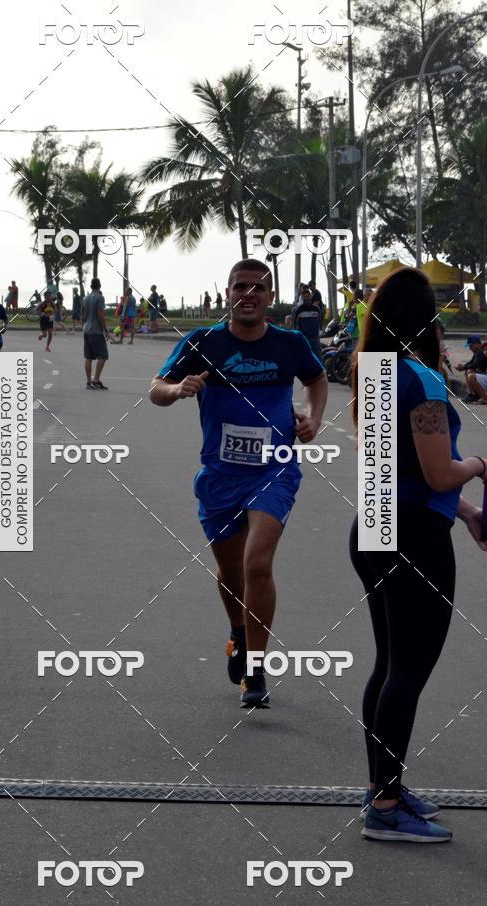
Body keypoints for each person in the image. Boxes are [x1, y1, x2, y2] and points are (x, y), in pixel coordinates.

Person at [349, 266, 487, 844]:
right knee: (407, 670)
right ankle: (385, 807)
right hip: (414, 539)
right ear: (426, 320)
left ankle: (384, 786)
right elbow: (439, 471)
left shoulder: (377, 373)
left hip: (376, 525)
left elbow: (399, 474)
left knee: (388, 665)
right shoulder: (426, 382)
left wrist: (466, 514)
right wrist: (481, 468)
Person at [150, 258, 327, 708]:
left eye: (258, 288)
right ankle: (238, 633)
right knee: (230, 572)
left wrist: (315, 420)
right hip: (219, 476)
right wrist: (178, 388)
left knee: (256, 564)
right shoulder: (204, 342)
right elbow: (156, 389)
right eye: (240, 286)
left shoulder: (289, 343)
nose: (249, 294)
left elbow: (317, 378)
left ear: (270, 298)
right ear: (227, 293)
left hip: (275, 469)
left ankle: (255, 668)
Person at [82, 277, 109, 389]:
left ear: (91, 286)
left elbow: (83, 316)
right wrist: (105, 329)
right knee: (103, 356)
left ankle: (89, 382)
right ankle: (96, 379)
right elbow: (101, 314)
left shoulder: (86, 298)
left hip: (86, 329)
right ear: (100, 286)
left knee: (89, 357)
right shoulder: (100, 297)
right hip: (96, 331)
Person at [292, 286, 322, 358]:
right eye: (305, 297)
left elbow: (318, 321)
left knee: (318, 360)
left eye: (308, 296)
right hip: (305, 339)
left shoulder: (316, 309)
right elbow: (295, 325)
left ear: (311, 296)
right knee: (306, 359)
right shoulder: (299, 310)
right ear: (302, 298)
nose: (307, 298)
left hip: (315, 339)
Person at [457, 336, 487, 402]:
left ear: (476, 344)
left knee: (469, 371)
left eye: (471, 346)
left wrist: (464, 367)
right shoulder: (477, 352)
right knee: (467, 371)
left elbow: (476, 364)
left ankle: (474, 394)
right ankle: (472, 393)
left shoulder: (481, 352)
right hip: (482, 373)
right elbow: (471, 362)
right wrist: (463, 366)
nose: (470, 348)